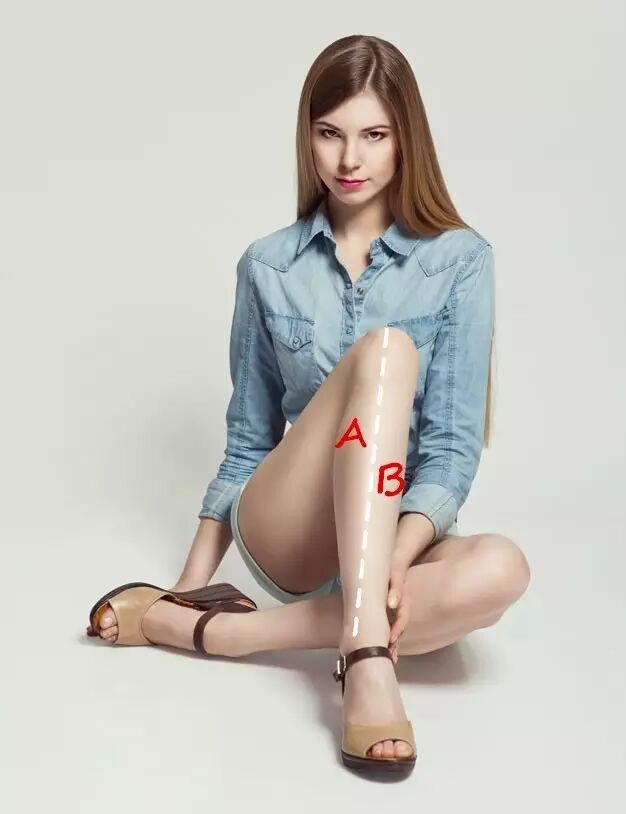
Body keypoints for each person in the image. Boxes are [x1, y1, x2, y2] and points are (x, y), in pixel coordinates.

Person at [85, 34, 531, 778]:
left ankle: (230, 635)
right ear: (308, 137)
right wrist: (191, 582)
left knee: (502, 570)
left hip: (392, 528)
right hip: (295, 530)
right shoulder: (269, 266)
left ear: (406, 140)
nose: (349, 159)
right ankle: (367, 662)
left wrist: (396, 556)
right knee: (386, 353)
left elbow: (452, 450)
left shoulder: (459, 261)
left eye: (374, 135)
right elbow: (248, 439)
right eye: (330, 134)